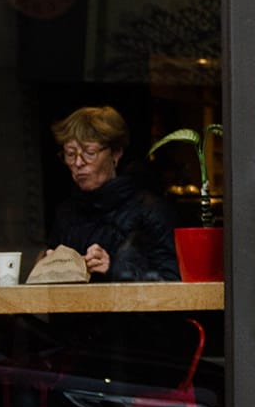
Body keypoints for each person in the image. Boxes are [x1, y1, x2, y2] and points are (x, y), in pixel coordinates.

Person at [50, 107, 181, 282]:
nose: (78, 163)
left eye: (89, 153)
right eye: (70, 154)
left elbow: (174, 282)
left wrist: (114, 269)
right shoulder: (66, 213)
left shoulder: (152, 211)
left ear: (116, 153)